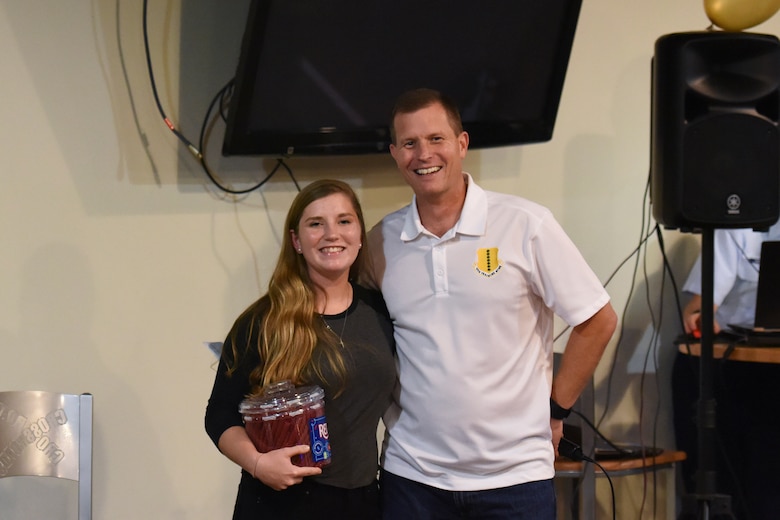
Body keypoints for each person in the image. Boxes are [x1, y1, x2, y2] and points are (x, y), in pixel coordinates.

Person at [364, 88, 618, 519]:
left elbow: (598, 320)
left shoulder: (525, 225)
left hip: (514, 481)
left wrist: (556, 411)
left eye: (436, 139)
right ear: (394, 153)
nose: (423, 154)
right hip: (413, 479)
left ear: (462, 144)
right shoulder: (380, 241)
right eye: (409, 143)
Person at [205, 179, 396, 520]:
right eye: (315, 224)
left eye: (344, 221)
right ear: (296, 240)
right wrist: (259, 464)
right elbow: (219, 414)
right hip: (283, 503)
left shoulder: (382, 311)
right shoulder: (263, 321)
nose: (331, 234)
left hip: (364, 501)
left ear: (360, 234)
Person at [673, 220, 780, 520]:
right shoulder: (738, 225)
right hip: (740, 366)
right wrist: (700, 316)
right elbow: (699, 308)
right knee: (752, 491)